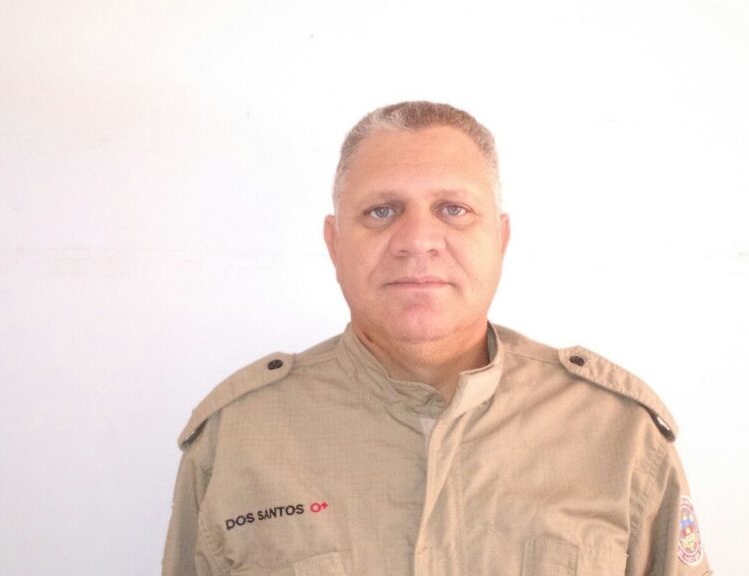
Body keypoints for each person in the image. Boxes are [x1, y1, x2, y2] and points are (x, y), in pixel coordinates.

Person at [162, 101, 713, 576]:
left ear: (500, 238)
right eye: (381, 211)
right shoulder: (237, 438)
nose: (418, 239)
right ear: (334, 243)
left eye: (453, 210)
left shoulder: (619, 435)